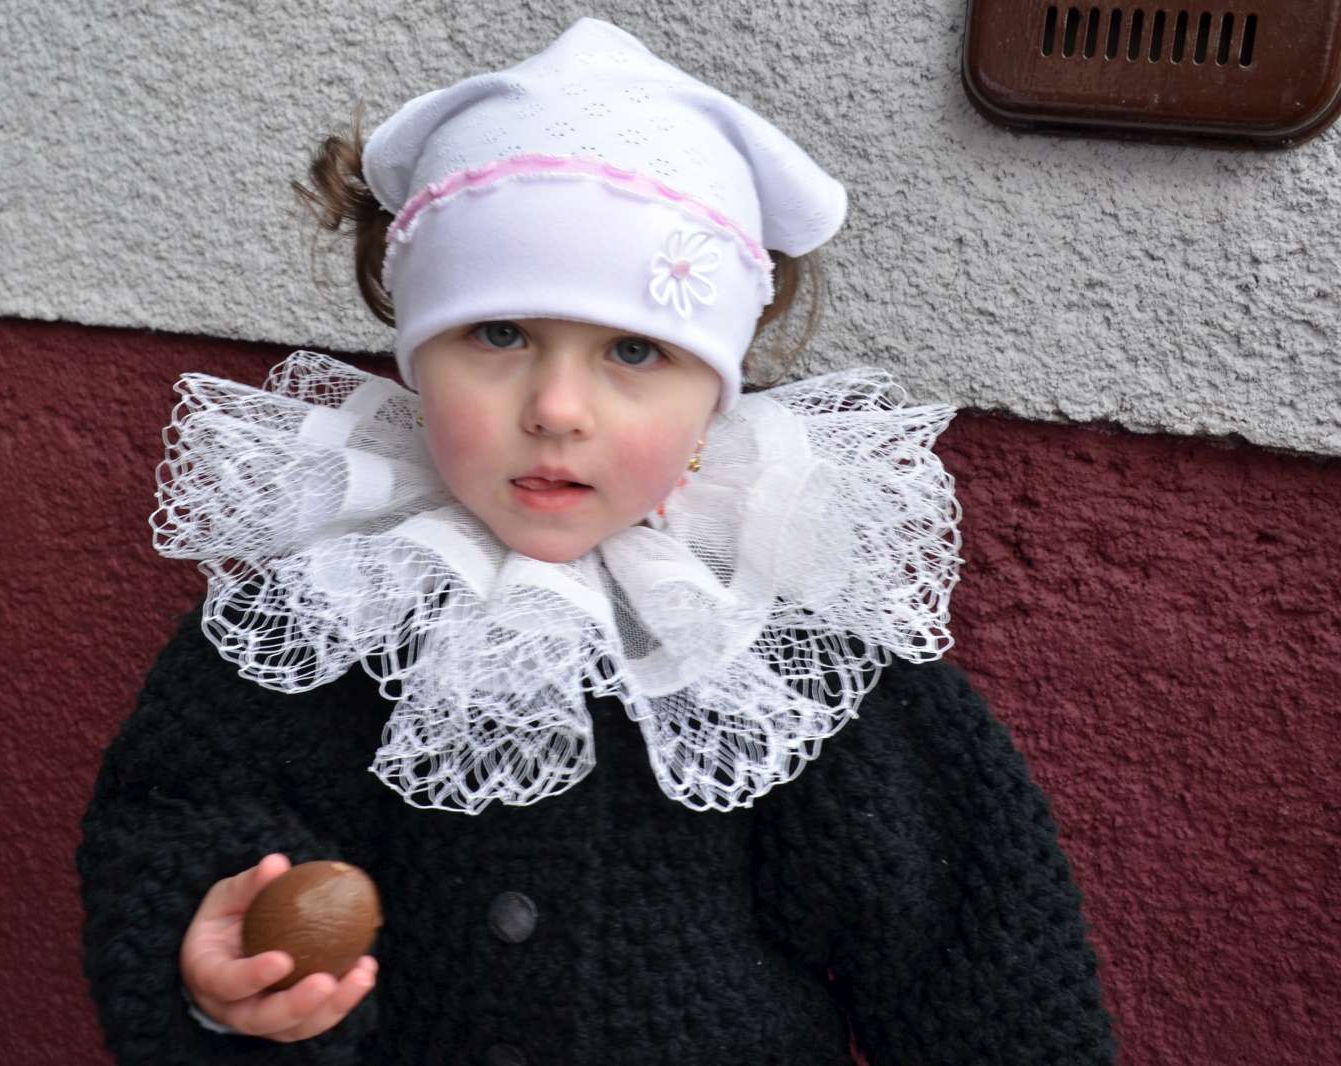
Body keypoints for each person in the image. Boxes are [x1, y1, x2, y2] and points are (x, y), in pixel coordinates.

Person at [77, 17, 1116, 1065]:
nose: (557, 409)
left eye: (633, 350)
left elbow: (980, 966)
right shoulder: (330, 609)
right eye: (498, 334)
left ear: (716, 392)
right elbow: (177, 817)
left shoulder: (779, 650)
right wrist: (219, 970)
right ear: (415, 358)